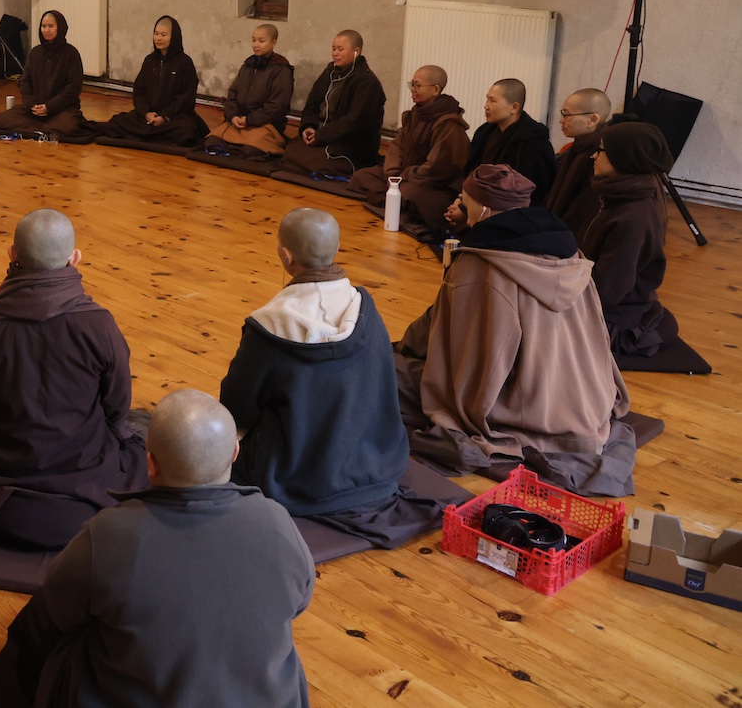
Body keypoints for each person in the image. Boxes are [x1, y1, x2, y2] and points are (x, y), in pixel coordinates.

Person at [0, 389, 313, 708]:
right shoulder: (277, 520)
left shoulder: (108, 534)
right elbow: (299, 602)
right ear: (235, 453)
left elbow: (55, 612)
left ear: (150, 463)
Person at [395, 165, 637, 496]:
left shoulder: (481, 263)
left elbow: (476, 364)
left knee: (388, 375)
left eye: (464, 201)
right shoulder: (570, 250)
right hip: (588, 398)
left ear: (484, 208)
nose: (460, 206)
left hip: (527, 409)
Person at [0, 209, 147, 550]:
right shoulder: (99, 326)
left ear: (12, 254)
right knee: (145, 442)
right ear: (74, 257)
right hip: (82, 466)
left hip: (1, 463)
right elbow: (116, 407)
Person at [219, 209, 442, 546]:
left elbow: (238, 407)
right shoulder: (365, 309)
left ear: (285, 256)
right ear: (337, 249)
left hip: (293, 476)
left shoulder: (267, 327)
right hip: (376, 465)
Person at [580, 122, 683, 361]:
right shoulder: (620, 196)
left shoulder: (632, 218)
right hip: (596, 299)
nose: (594, 156)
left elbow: (607, 291)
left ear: (624, 158)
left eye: (601, 150)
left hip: (609, 317)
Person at [351, 65, 469, 240]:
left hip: (428, 182)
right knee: (361, 177)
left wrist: (405, 176)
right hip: (404, 175)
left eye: (417, 86)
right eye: (411, 85)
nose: (412, 90)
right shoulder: (415, 113)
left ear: (435, 90)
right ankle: (395, 199)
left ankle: (395, 199)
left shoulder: (449, 124)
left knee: (409, 193)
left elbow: (437, 167)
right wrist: (392, 174)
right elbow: (398, 146)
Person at [277, 30, 385, 179]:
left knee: (316, 160)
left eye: (340, 49)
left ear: (356, 51)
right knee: (291, 151)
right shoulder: (330, 72)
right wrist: (308, 126)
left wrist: (321, 136)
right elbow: (312, 103)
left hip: (348, 143)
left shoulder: (367, 82)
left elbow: (354, 122)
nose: (335, 53)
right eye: (333, 49)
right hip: (321, 135)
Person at [93, 16, 206, 146]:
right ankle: (155, 135)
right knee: (117, 122)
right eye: (156, 34)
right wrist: (146, 113)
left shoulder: (184, 63)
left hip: (173, 118)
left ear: (174, 37)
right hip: (148, 117)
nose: (158, 38)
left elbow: (186, 98)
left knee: (186, 130)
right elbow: (139, 91)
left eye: (163, 35)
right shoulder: (149, 60)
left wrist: (164, 117)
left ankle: (147, 134)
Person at [459, 78, 557, 207]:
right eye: (487, 99)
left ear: (514, 107)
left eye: (492, 101)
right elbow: (471, 173)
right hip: (477, 203)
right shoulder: (484, 133)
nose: (486, 106)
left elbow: (532, 194)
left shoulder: (532, 143)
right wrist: (462, 200)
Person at [0, 10, 87, 139]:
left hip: (61, 110)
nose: (46, 30)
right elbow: (25, 83)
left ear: (60, 28)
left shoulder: (71, 53)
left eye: (51, 26)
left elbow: (73, 89)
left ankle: (35, 128)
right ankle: (43, 129)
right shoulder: (35, 52)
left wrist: (49, 107)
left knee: (69, 126)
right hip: (33, 110)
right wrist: (32, 105)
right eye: (43, 26)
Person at [206, 24, 295, 156]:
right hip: (239, 122)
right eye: (253, 40)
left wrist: (250, 120)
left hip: (265, 124)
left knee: (251, 150)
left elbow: (277, 106)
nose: (256, 45)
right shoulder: (247, 66)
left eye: (261, 41)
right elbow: (233, 94)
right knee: (212, 142)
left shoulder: (281, 70)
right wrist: (233, 116)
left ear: (274, 43)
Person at [547, 87, 611, 234]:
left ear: (593, 120)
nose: (561, 121)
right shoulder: (577, 147)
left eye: (567, 115)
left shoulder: (600, 156)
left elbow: (583, 211)